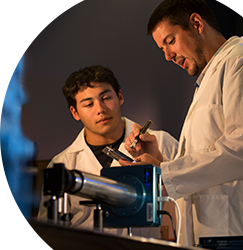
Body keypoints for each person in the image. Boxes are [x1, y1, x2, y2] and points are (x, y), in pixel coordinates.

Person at [120, 0, 243, 246]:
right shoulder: (209, 80)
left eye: (170, 41)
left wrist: (165, 174)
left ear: (196, 23)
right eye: (162, 49)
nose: (168, 56)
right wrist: (161, 161)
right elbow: (209, 164)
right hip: (215, 237)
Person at [38, 65, 178, 238]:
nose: (100, 109)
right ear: (75, 112)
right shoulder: (63, 164)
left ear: (120, 97)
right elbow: (49, 235)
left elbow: (190, 199)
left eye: (106, 98)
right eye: (88, 104)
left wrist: (159, 163)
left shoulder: (162, 143)